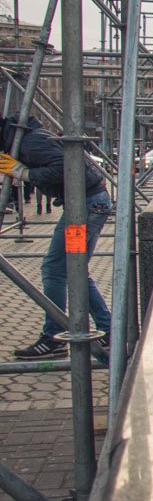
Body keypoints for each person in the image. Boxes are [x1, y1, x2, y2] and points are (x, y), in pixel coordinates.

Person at [1, 115, 113, 359]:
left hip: (84, 208)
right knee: (75, 269)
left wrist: (25, 174)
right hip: (91, 204)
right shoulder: (32, 138)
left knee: (54, 270)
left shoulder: (30, 143)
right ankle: (108, 329)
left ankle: (54, 335)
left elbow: (65, 166)